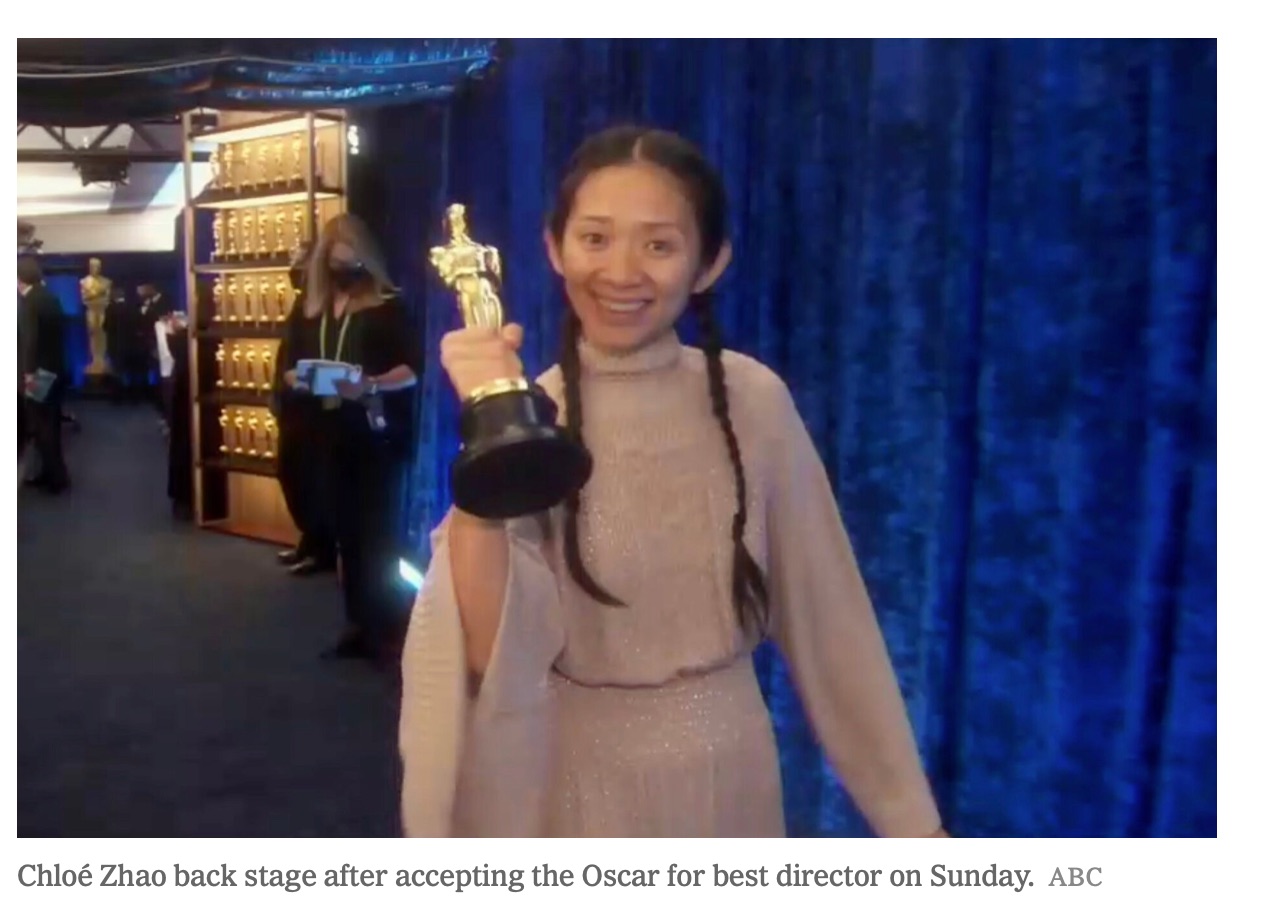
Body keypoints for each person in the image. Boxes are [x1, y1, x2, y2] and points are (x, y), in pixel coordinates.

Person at [398, 126, 949, 838]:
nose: (621, 272)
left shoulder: (753, 402)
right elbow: (491, 652)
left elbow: (831, 621)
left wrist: (914, 826)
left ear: (709, 263)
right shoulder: (537, 417)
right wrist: (488, 439)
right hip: (582, 782)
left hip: (735, 773)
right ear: (554, 248)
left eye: (658, 245)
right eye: (595, 239)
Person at [284, 214, 422, 661]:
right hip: (326, 432)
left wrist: (372, 384)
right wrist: (303, 379)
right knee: (346, 532)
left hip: (376, 433)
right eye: (335, 261)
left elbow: (411, 370)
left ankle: (388, 626)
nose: (343, 269)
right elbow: (287, 367)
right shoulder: (310, 309)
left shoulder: (388, 307)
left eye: (351, 261)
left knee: (377, 534)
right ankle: (358, 622)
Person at [274, 243, 337, 576]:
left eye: (299, 260)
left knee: (311, 477)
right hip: (292, 402)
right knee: (290, 472)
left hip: (312, 404)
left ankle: (321, 546)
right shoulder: (304, 301)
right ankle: (310, 539)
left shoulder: (323, 304)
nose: (293, 267)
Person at [18, 256, 70, 494]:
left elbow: (30, 340)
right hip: (56, 369)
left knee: (40, 426)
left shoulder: (29, 301)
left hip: (38, 374)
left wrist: (28, 373)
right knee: (51, 424)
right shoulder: (50, 297)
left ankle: (55, 478)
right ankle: (51, 473)